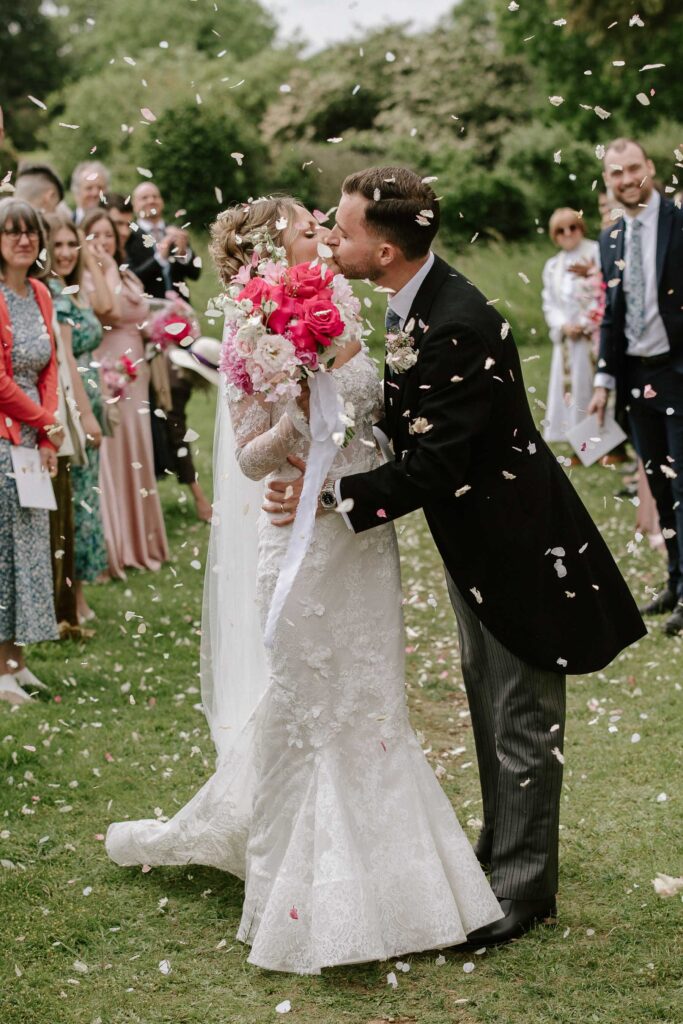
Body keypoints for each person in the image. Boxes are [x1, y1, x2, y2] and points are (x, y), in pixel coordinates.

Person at [106, 197, 504, 974]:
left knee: (372, 699)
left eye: (324, 226)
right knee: (315, 706)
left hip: (361, 532)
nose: (323, 233)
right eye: (305, 228)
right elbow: (250, 458)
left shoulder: (345, 302)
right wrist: (295, 413)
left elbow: (379, 413)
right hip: (300, 541)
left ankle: (399, 883)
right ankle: (301, 891)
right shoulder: (252, 327)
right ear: (269, 248)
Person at [265, 167, 646, 946]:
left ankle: (523, 888)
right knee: (488, 698)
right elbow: (416, 426)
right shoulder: (412, 303)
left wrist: (329, 496)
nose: (331, 238)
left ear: (384, 250)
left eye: (343, 229)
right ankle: (500, 851)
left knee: (521, 712)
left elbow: (436, 465)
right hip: (475, 540)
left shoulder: (456, 323)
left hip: (516, 543)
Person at [588, 138, 683, 635]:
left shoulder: (679, 222)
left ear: (650, 167)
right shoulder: (610, 239)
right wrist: (603, 380)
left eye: (632, 168)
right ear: (607, 181)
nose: (626, 179)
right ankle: (675, 581)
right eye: (615, 173)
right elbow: (612, 314)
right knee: (659, 483)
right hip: (636, 378)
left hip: (678, 372)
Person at [0, 199, 63, 703]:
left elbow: (50, 367)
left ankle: (17, 662)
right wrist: (46, 422)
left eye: (30, 232)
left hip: (33, 435)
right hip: (3, 434)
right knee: (4, 552)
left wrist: (45, 437)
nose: (24, 240)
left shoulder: (41, 292)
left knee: (30, 546)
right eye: (11, 231)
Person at [83, 209, 169, 578]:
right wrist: (102, 267)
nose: (103, 242)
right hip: (109, 373)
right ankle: (116, 544)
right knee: (115, 455)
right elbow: (111, 311)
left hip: (138, 375)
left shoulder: (127, 273)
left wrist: (167, 325)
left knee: (138, 450)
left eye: (108, 235)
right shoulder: (86, 278)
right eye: (95, 235)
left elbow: (140, 314)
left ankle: (142, 541)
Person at [46, 213, 115, 622]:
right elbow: (67, 357)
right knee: (76, 501)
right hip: (71, 405)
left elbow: (106, 306)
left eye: (71, 244)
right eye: (57, 245)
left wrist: (86, 256)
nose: (65, 252)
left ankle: (78, 595)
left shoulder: (73, 291)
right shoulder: (54, 297)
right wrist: (86, 416)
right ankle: (72, 599)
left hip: (90, 394)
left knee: (87, 498)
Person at [541, 208, 600, 445]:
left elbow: (602, 290)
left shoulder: (595, 252)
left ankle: (599, 441)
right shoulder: (553, 265)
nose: (567, 233)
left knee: (590, 387)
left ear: (581, 227)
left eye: (572, 227)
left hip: (592, 336)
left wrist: (586, 323)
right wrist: (563, 325)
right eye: (560, 230)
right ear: (554, 236)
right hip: (568, 339)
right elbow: (550, 302)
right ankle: (577, 440)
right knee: (570, 389)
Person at [126, 181, 201, 299]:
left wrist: (183, 253)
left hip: (180, 305)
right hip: (147, 305)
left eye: (155, 196)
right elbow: (131, 278)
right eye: (144, 198)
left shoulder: (174, 231)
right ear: (134, 205)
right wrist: (159, 258)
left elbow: (195, 274)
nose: (151, 200)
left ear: (162, 202)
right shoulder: (129, 235)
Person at [71, 161, 110, 226]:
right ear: (77, 192)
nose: (95, 193)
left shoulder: (118, 223)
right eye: (89, 188)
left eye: (100, 188)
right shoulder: (67, 224)